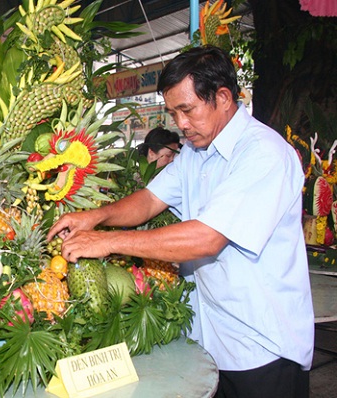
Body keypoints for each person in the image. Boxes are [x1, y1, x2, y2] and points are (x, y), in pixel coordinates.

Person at [47, 45, 314, 398]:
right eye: (174, 114)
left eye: (187, 110)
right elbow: (149, 200)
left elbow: (207, 238)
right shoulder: (195, 153)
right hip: (213, 339)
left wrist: (106, 241)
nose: (181, 125)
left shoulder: (263, 153)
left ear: (222, 97)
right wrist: (94, 217)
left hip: (262, 346)